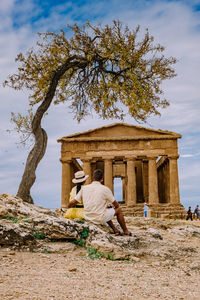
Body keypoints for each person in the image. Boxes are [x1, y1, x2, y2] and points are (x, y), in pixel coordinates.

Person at [68, 169, 133, 236]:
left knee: (104, 211)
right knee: (118, 210)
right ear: (102, 179)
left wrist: (68, 206)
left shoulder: (84, 188)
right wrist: (113, 207)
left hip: (87, 217)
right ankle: (126, 231)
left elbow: (73, 202)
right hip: (99, 218)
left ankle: (115, 230)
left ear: (93, 178)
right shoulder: (105, 189)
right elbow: (116, 204)